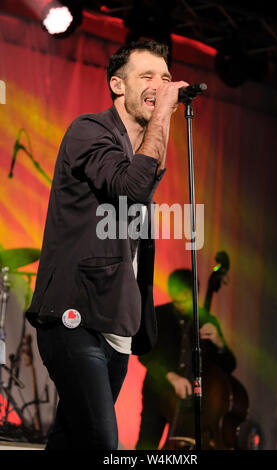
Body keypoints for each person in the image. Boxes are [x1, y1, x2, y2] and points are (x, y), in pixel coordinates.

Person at [25, 40, 189, 450]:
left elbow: (137, 186)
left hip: (115, 327)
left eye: (166, 77)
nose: (160, 84)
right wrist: (164, 112)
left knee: (71, 440)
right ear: (117, 84)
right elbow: (130, 188)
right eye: (147, 76)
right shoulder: (89, 130)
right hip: (73, 316)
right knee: (103, 443)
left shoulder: (136, 154)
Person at [136, 268, 236, 450]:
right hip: (158, 393)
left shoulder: (207, 321)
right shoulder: (157, 315)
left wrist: (219, 343)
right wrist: (171, 376)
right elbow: (144, 353)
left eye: (186, 298)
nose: (181, 304)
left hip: (192, 403)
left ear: (195, 293)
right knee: (146, 445)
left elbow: (229, 365)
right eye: (177, 299)